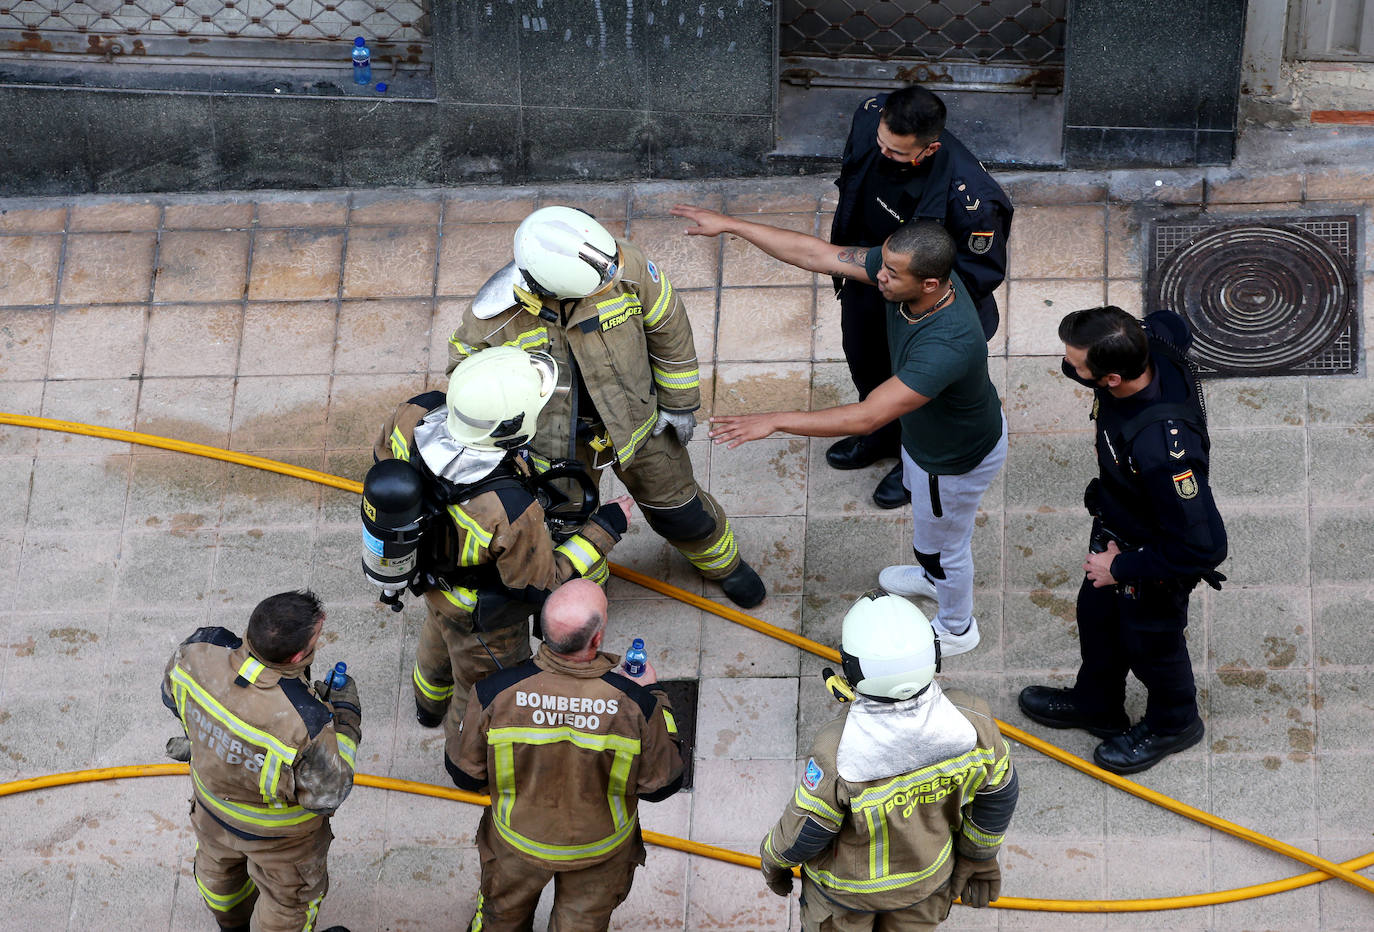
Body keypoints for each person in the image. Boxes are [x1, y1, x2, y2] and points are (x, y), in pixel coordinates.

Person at [670, 206, 1005, 655]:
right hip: (926, 438)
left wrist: (775, 420)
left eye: (891, 273)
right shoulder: (920, 275)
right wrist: (733, 225)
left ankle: (957, 628)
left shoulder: (947, 344)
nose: (879, 276)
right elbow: (819, 255)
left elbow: (868, 417)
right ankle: (929, 576)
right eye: (882, 265)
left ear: (930, 283)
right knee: (933, 540)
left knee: (944, 549)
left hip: (952, 460)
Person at [450, 205, 766, 609]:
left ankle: (724, 566)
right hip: (553, 451)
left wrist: (679, 403)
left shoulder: (621, 265)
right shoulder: (491, 321)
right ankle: (586, 599)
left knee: (682, 510)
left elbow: (668, 325)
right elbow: (465, 379)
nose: (607, 283)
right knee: (570, 531)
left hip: (640, 425)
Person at [371, 345, 633, 737]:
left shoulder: (413, 414)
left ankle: (427, 708)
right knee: (485, 690)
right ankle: (466, 749)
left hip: (427, 580)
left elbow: (383, 464)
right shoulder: (509, 511)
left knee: (437, 640)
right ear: (509, 427)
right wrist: (605, 529)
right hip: (483, 619)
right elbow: (541, 583)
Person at [1018, 306, 1227, 775]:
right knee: (1096, 618)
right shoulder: (1150, 339)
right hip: (1118, 523)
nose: (1068, 367)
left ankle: (1175, 722)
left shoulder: (1164, 450)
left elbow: (1203, 547)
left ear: (1111, 379)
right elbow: (1172, 319)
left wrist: (1121, 568)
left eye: (1076, 365)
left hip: (1151, 555)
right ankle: (1097, 705)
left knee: (1151, 644)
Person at [759, 590, 1018, 930]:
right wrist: (979, 855)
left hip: (845, 898)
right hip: (927, 885)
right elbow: (999, 796)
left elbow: (807, 828)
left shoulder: (837, 752)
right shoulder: (974, 722)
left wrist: (773, 862)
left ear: (851, 670)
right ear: (934, 655)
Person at [448, 578, 686, 931]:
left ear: (542, 630)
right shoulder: (635, 704)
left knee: (501, 919)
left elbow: (466, 775)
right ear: (596, 638)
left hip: (516, 844)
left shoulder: (494, 693)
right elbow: (662, 784)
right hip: (599, 850)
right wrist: (654, 693)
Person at [828, 85, 1013, 509]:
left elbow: (978, 275)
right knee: (865, 363)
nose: (883, 155)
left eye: (896, 154)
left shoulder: (974, 201)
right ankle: (878, 436)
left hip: (923, 310)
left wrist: (912, 301)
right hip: (871, 281)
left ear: (928, 150)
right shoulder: (871, 116)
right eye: (881, 144)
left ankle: (911, 466)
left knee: (919, 398)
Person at [160, 590, 357, 932]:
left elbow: (173, 699)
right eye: (315, 641)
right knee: (287, 906)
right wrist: (345, 718)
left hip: (211, 815)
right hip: (281, 841)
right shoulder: (306, 722)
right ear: (298, 657)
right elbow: (327, 796)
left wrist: (212, 743)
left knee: (220, 884)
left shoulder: (195, 651)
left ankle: (232, 925)